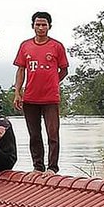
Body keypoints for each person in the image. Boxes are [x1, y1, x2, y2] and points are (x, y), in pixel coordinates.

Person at [13, 11, 69, 176]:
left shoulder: (56, 46)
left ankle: (52, 167)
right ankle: (38, 167)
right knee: (34, 135)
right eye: (38, 24)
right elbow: (21, 70)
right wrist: (17, 92)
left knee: (53, 133)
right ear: (33, 26)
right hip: (30, 97)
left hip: (50, 98)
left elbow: (64, 70)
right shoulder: (25, 46)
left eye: (44, 24)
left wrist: (53, 82)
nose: (41, 27)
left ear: (49, 27)